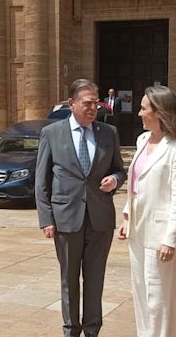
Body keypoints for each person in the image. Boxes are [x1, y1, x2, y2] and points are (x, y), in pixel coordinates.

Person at [35, 79, 127, 337]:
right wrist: (46, 219)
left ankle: (92, 331)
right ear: (72, 104)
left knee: (95, 280)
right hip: (66, 219)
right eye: (87, 103)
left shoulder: (109, 133)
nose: (93, 108)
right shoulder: (52, 133)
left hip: (100, 221)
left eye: (96, 103)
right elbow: (41, 181)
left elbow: (120, 169)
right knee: (69, 281)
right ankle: (70, 331)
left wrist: (115, 180)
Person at [117, 85, 176, 337]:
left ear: (160, 112)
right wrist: (127, 216)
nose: (139, 113)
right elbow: (136, 184)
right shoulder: (141, 141)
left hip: (161, 234)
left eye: (143, 108)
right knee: (141, 293)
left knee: (160, 299)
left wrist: (171, 239)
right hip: (138, 230)